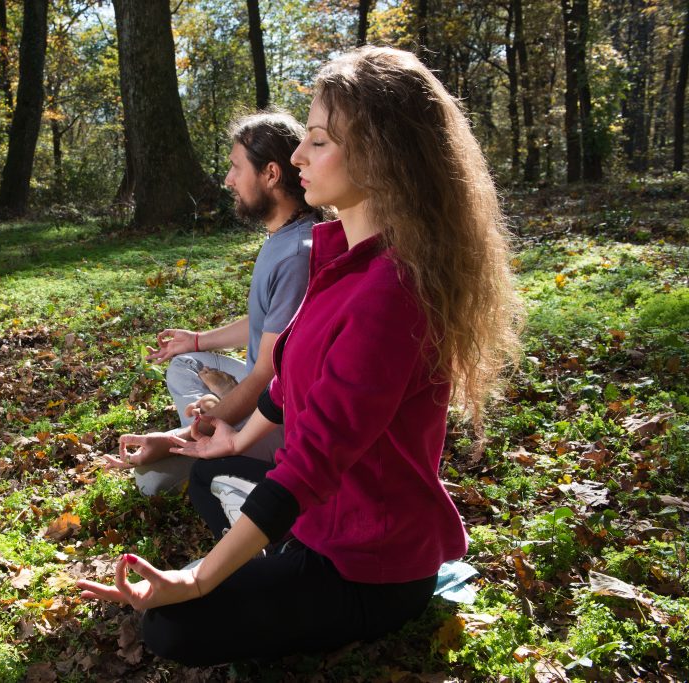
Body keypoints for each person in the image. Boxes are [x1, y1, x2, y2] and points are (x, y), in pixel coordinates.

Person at [77, 46, 524, 666]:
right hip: (321, 517)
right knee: (209, 475)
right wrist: (215, 442)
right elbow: (285, 386)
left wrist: (200, 577)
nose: (295, 158)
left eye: (317, 141)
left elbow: (313, 461)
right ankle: (265, 558)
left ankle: (272, 572)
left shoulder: (393, 293)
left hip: (371, 564)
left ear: (380, 152)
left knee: (171, 629)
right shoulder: (337, 254)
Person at [106, 111, 320, 496]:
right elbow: (265, 321)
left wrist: (190, 433)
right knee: (185, 363)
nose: (228, 180)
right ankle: (218, 412)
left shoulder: (296, 254)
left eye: (237, 167)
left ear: (271, 174)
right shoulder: (283, 238)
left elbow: (268, 377)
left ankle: (221, 436)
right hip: (259, 390)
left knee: (150, 481)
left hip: (279, 415)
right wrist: (198, 340)